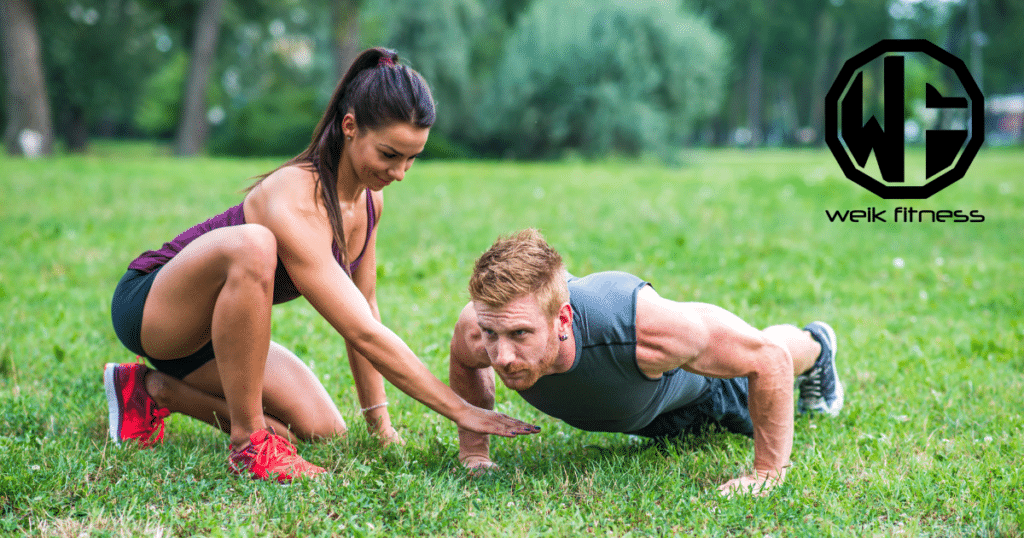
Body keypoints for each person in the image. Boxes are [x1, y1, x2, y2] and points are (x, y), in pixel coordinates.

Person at [106, 48, 539, 482]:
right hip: (156, 310)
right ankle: (249, 445)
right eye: (389, 154)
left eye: (412, 158)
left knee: (323, 432)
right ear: (350, 126)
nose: (401, 172)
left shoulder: (370, 201)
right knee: (255, 244)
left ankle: (151, 391)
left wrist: (380, 425)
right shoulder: (292, 197)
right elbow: (362, 332)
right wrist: (459, 410)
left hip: (219, 335)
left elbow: (364, 306)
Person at [448, 229, 844, 496]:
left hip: (704, 396)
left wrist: (768, 475)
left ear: (562, 320)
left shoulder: (640, 327)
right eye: (491, 334)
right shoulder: (479, 327)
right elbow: (466, 364)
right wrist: (474, 452)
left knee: (770, 345)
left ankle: (818, 344)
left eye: (520, 334)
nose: (501, 356)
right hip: (646, 415)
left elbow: (768, 359)